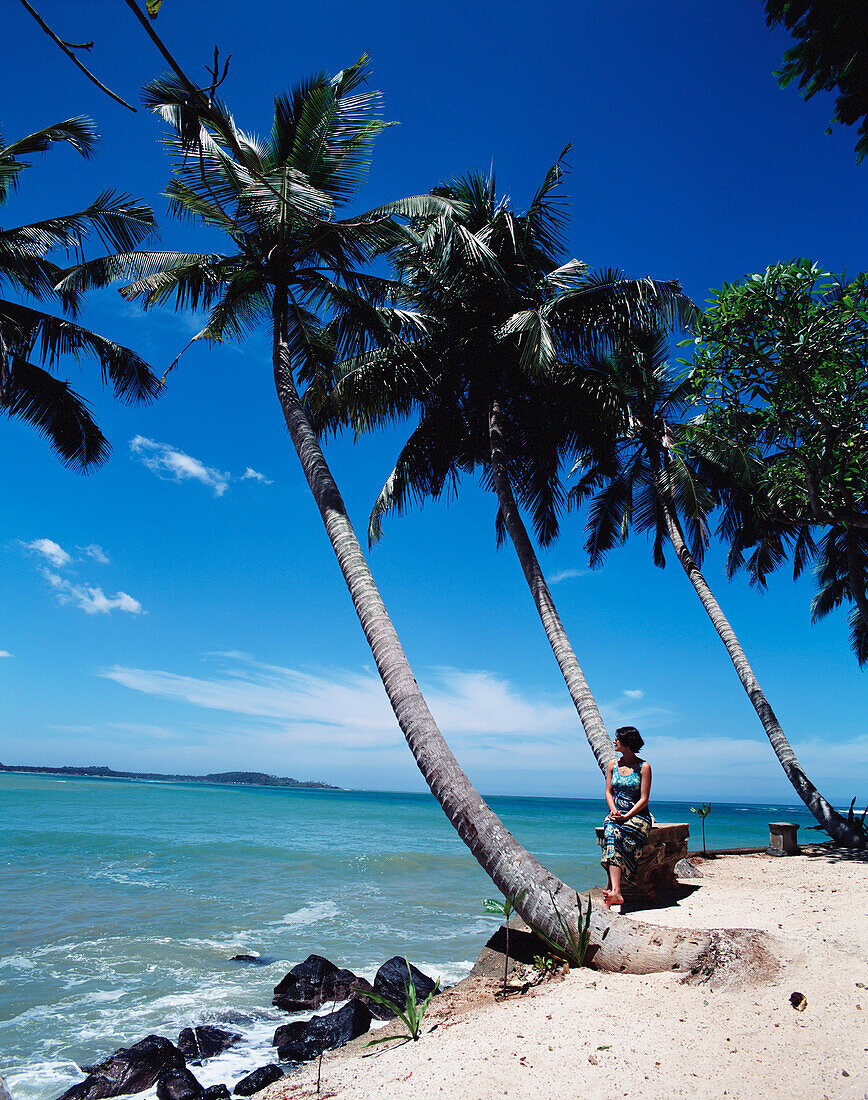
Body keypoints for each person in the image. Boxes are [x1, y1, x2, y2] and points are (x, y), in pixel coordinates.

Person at [601, 726, 652, 909]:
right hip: (617, 814)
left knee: (616, 837)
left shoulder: (643, 767)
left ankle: (613, 894)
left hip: (637, 816)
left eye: (618, 739)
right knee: (611, 833)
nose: (614, 741)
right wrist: (614, 810)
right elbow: (608, 792)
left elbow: (644, 799)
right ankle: (615, 892)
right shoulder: (612, 765)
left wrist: (628, 815)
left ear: (628, 743)